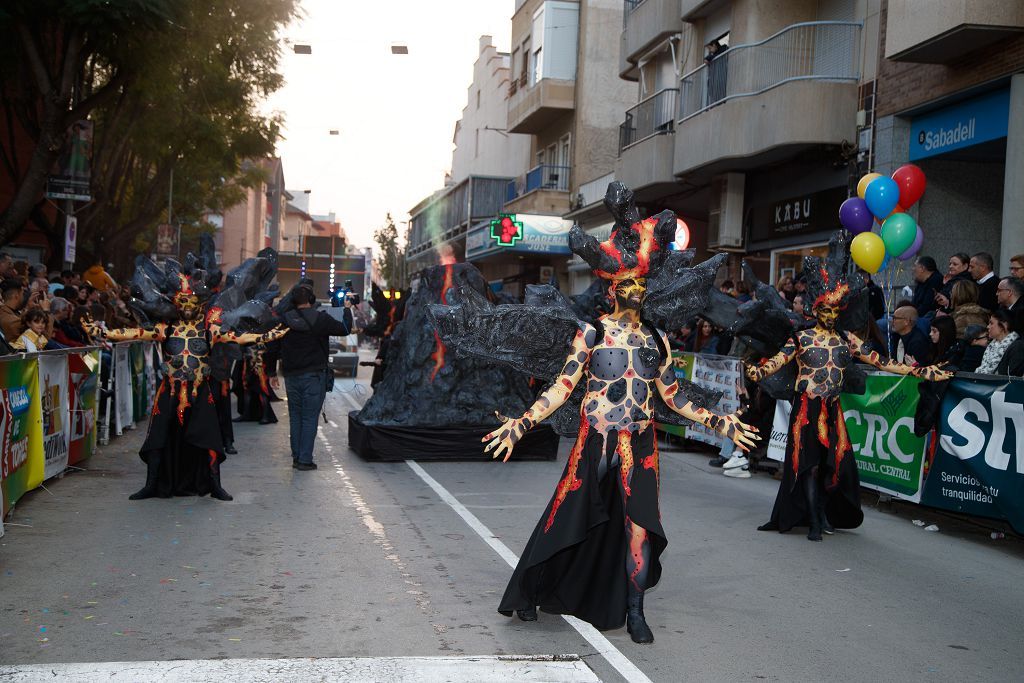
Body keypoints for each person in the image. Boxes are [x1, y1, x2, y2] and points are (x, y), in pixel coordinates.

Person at [481, 185, 758, 644]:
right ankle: (532, 588)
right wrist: (522, 422)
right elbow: (562, 387)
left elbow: (672, 395)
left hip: (640, 445)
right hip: (594, 443)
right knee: (566, 517)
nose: (636, 292)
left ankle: (635, 610)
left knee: (639, 527)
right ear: (613, 288)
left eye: (641, 285)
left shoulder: (657, 340)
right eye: (628, 284)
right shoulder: (590, 335)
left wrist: (719, 420)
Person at [746, 243, 950, 542]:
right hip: (806, 410)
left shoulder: (847, 339)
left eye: (834, 311)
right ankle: (814, 521)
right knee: (810, 466)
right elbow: (777, 361)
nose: (830, 315)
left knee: (833, 466)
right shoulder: (801, 338)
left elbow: (881, 361)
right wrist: (757, 371)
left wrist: (921, 371)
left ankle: (822, 515)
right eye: (826, 310)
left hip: (832, 410)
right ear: (817, 310)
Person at [86, 258, 285, 501]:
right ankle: (151, 485)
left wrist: (266, 336)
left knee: (210, 438)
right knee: (158, 438)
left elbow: (237, 337)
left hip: (200, 390)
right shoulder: (166, 329)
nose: (187, 307)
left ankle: (215, 485)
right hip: (169, 390)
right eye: (183, 302)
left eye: (192, 302)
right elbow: (136, 332)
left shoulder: (208, 328)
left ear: (199, 304)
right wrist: (104, 332)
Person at [266, 285, 350, 471]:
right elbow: (345, 329)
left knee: (295, 417)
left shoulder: (283, 320)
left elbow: (271, 346)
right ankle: (305, 459)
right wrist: (346, 308)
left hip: (291, 375)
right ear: (311, 300)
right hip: (313, 376)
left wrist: (271, 372)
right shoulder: (320, 319)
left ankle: (297, 456)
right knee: (310, 418)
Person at [976, 310, 1024, 376]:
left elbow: (1012, 378)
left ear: (1004, 325)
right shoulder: (991, 346)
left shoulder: (1017, 347)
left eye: (991, 323)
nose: (988, 327)